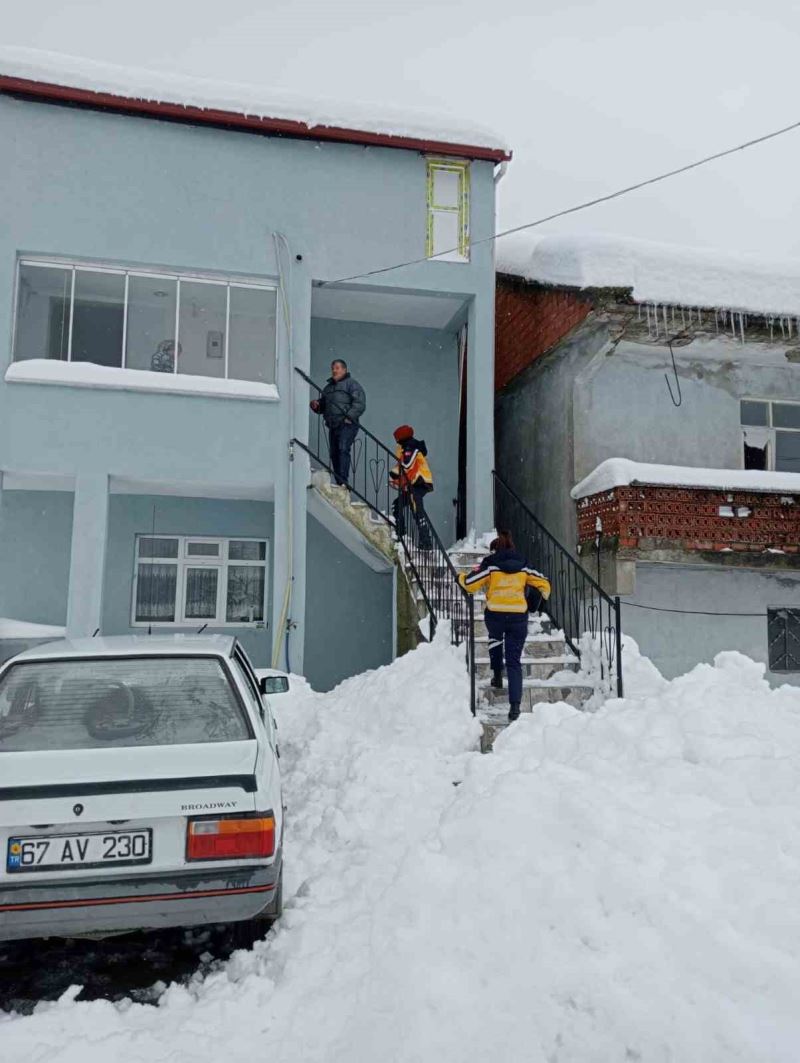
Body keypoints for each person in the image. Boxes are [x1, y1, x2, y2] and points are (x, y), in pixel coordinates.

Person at [459, 531, 551, 722]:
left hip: (496, 615)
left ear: (495, 550)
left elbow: (470, 584)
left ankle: (496, 672)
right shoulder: (524, 564)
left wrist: (460, 578)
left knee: (494, 636)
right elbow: (544, 584)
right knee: (514, 662)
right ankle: (515, 707)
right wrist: (539, 602)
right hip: (518, 617)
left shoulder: (491, 564)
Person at [309, 359, 366, 486]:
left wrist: (349, 417)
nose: (334, 370)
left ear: (344, 370)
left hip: (347, 424)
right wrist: (317, 405)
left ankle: (343, 482)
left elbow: (360, 403)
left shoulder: (352, 384)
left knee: (343, 448)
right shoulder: (328, 388)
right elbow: (323, 406)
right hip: (333, 425)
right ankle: (340, 482)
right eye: (333, 368)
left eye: (337, 368)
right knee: (334, 453)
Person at [389, 425, 434, 550]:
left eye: (397, 438)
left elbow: (407, 464)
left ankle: (426, 543)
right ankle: (401, 533)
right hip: (413, 484)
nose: (396, 441)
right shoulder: (407, 448)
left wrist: (395, 472)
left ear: (401, 437)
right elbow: (404, 466)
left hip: (419, 482)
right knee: (397, 505)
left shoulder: (411, 447)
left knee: (417, 511)